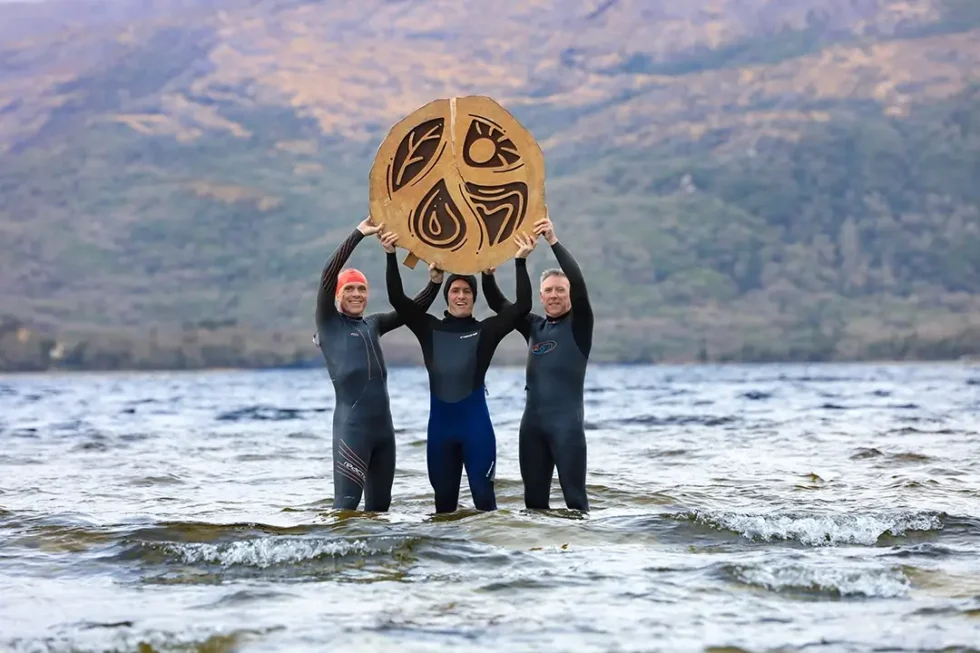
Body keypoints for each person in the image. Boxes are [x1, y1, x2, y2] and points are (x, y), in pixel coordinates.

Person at [381, 229, 537, 513]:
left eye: (467, 291)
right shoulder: (429, 328)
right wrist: (391, 255)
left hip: (476, 429)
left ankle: (490, 556)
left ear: (474, 297)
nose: (461, 296)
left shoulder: (486, 331)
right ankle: (449, 558)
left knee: (485, 503)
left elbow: (523, 306)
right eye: (455, 290)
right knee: (443, 508)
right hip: (440, 433)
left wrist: (520, 261)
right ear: (447, 296)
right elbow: (397, 300)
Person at [315, 216, 443, 512]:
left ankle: (377, 560)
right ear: (337, 295)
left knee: (380, 513)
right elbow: (328, 273)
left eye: (361, 289)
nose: (357, 294)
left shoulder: (373, 325)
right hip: (352, 430)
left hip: (384, 433)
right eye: (349, 289)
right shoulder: (328, 323)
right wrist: (359, 232)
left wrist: (435, 282)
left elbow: (412, 310)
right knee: (345, 511)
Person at [481, 211, 593, 512]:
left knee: (575, 501)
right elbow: (498, 304)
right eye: (548, 291)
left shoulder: (580, 325)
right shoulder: (534, 327)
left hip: (566, 427)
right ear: (541, 297)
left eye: (560, 290)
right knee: (533, 506)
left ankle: (580, 553)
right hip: (531, 427)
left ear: (568, 294)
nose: (554, 295)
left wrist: (552, 240)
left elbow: (579, 281)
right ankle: (538, 557)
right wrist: (488, 273)